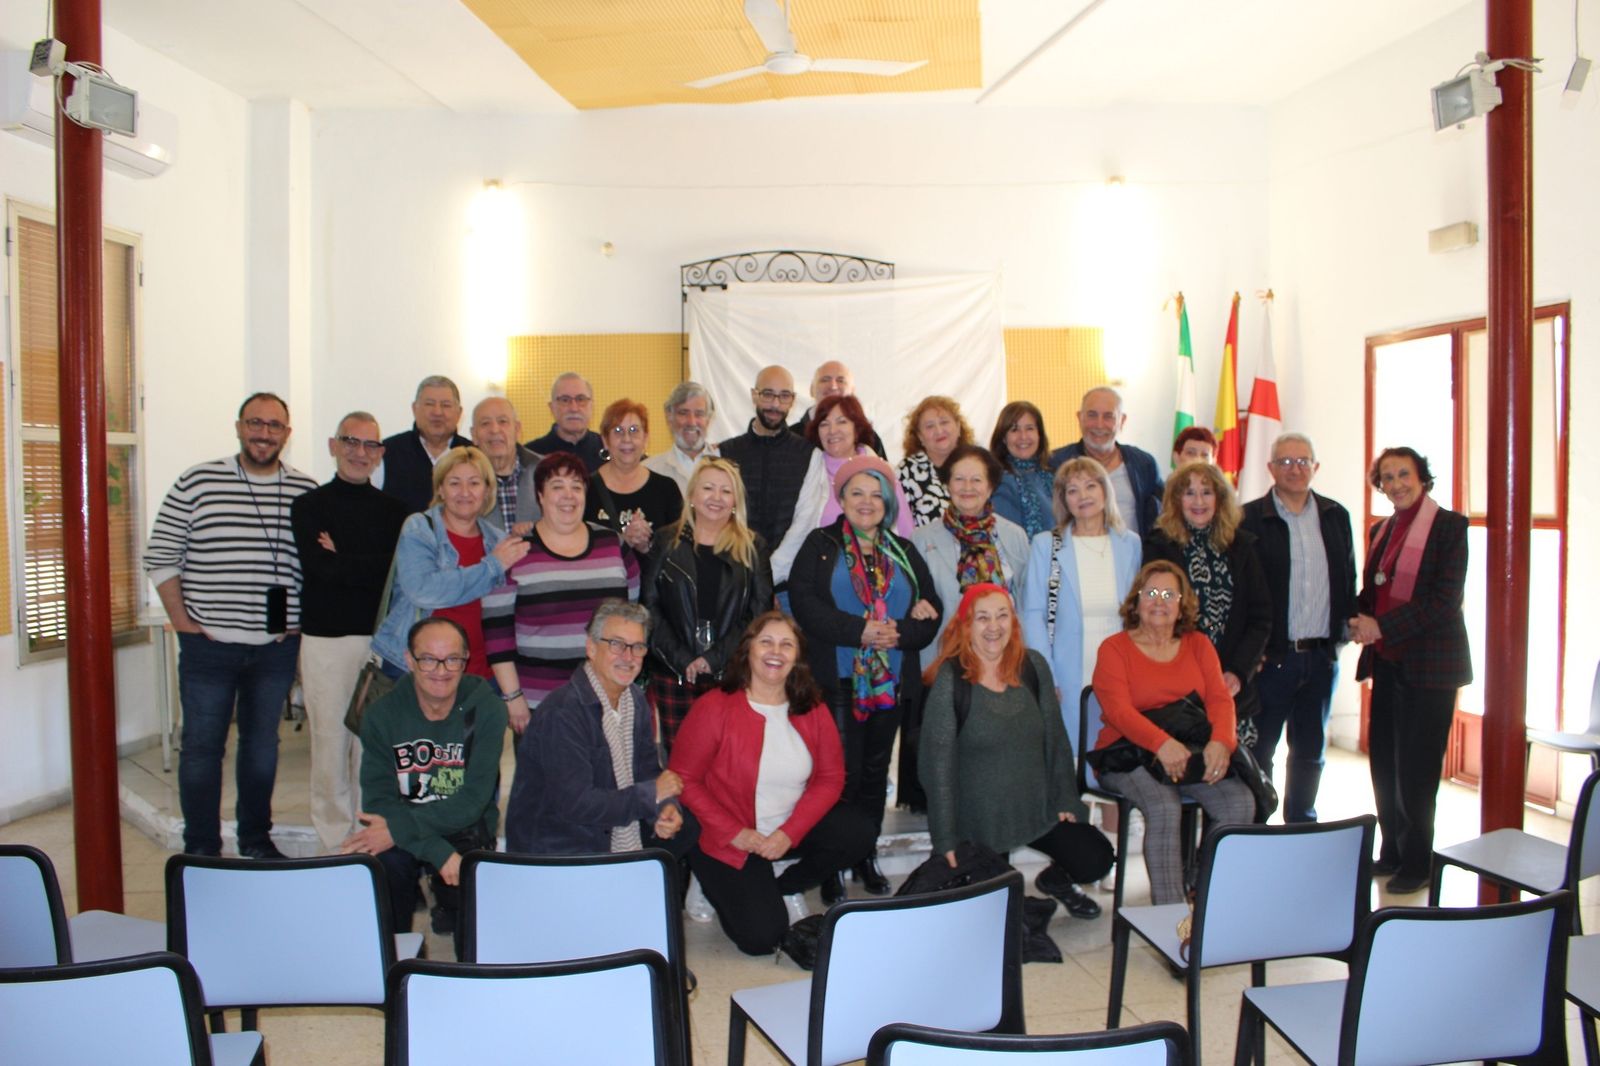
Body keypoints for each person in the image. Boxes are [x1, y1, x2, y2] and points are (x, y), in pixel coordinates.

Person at [144, 392, 319, 859]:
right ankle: (201, 849)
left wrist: (299, 626)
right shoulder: (198, 482)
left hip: (275, 648)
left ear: (288, 432)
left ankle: (255, 840)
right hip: (209, 645)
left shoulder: (305, 490)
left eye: (274, 425)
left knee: (262, 749)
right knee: (201, 750)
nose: (264, 433)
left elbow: (318, 567)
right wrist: (183, 624)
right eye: (255, 423)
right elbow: (160, 557)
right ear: (238, 426)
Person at [669, 612, 877, 956]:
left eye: (786, 644)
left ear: (797, 656)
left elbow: (830, 779)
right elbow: (684, 781)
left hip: (783, 829)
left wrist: (789, 833)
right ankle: (704, 883)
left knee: (858, 832)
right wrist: (734, 832)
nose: (775, 651)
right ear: (747, 649)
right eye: (766, 641)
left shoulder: (810, 707)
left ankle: (785, 885)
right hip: (727, 837)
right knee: (762, 938)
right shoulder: (714, 707)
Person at [790, 454, 941, 900]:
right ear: (841, 498)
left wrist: (900, 634)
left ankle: (865, 853)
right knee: (839, 776)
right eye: (857, 491)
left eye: (877, 493)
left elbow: (931, 609)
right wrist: (859, 631)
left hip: (891, 682)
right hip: (836, 680)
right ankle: (831, 862)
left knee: (875, 775)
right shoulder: (820, 544)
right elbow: (805, 605)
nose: (867, 501)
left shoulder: (905, 551)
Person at [920, 584, 1113, 919]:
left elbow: (1055, 738)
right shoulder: (950, 679)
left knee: (1096, 857)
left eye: (1001, 616)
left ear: (1014, 621)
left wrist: (1066, 798)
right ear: (966, 626)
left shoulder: (1032, 666)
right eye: (982, 618)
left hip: (1035, 809)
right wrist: (945, 839)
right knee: (995, 916)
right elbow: (936, 768)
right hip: (978, 823)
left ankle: (1057, 881)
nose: (993, 627)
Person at [1091, 561, 1255, 905]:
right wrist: (1161, 744)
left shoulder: (1198, 644)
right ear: (1136, 601)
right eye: (1151, 593)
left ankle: (1210, 900)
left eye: (1169, 594)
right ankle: (1174, 923)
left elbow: (1220, 700)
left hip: (1187, 748)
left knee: (1240, 802)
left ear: (1183, 604)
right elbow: (1118, 712)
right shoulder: (1114, 648)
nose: (1159, 601)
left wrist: (1221, 743)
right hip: (1126, 753)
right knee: (1164, 806)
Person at [341, 617, 505, 957]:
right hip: (403, 824)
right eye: (428, 659)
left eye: (452, 660)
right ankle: (396, 966)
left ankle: (465, 958)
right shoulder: (382, 713)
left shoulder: (486, 707)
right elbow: (378, 802)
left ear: (465, 660)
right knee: (384, 865)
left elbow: (474, 800)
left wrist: (418, 838)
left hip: (464, 824)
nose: (441, 670)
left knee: (475, 932)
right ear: (410, 660)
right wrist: (437, 851)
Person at [1349, 446, 1470, 895]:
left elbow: (1443, 601)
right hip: (1389, 663)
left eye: (1404, 474)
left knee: (1417, 771)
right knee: (1385, 763)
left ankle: (1420, 861)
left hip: (1432, 669)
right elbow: (1372, 593)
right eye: (1387, 477)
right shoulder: (1382, 530)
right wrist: (1354, 619)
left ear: (1423, 477)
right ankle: (1393, 851)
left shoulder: (1450, 528)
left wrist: (1380, 625)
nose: (1396, 483)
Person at [289, 411, 409, 850]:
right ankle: (334, 840)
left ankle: (367, 837)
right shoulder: (309, 507)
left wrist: (344, 559)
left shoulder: (397, 513)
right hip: (326, 640)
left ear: (381, 454)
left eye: (370, 445)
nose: (360, 453)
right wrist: (360, 563)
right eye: (351, 442)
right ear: (333, 445)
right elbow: (321, 571)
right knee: (329, 741)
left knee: (372, 746)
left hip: (380, 642)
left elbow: (392, 577)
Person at [505, 601, 697, 866]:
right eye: (616, 645)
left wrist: (663, 809)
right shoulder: (564, 712)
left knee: (689, 825)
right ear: (591, 648)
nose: (628, 657)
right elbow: (577, 805)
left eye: (637, 647)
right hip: (559, 845)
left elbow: (647, 771)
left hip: (606, 828)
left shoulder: (635, 700)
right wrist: (651, 795)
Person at [1239, 433, 1357, 824]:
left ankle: (1301, 825)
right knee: (1261, 750)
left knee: (1309, 751)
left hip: (1321, 657)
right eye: (1286, 462)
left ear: (1315, 467)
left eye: (1303, 461)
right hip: (1271, 658)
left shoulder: (1335, 515)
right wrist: (1249, 654)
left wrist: (1342, 636)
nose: (1295, 468)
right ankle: (1259, 829)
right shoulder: (1249, 519)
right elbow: (1242, 595)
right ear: (1270, 469)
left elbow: (1347, 579)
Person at [484, 453, 642, 731]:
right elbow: (497, 636)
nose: (568, 496)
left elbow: (631, 619)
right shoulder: (515, 551)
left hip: (609, 701)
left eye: (577, 487)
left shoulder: (614, 545)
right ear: (540, 496)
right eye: (557, 486)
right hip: (540, 705)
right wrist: (513, 698)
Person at [641, 458, 774, 753]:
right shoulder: (664, 541)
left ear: (735, 501)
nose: (716, 498)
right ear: (692, 496)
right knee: (681, 761)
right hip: (673, 672)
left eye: (726, 491)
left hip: (731, 672)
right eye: (708, 488)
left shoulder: (754, 547)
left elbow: (760, 614)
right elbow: (649, 608)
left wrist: (714, 658)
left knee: (730, 758)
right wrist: (683, 659)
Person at [371, 446, 530, 685]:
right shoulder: (420, 528)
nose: (465, 492)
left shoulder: (499, 540)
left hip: (482, 671)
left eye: (474, 483)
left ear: (487, 490)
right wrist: (492, 566)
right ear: (441, 489)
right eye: (455, 483)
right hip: (419, 669)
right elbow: (423, 590)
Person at [1019, 456, 1142, 756]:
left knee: (1116, 754)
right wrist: (1048, 675)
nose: (1083, 496)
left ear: (1105, 491)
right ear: (1063, 500)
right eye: (1072, 490)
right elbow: (1033, 613)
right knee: (1072, 756)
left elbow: (1139, 613)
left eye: (1090, 486)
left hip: (1120, 668)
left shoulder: (1131, 544)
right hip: (1068, 670)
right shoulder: (1047, 544)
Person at [1141, 462, 1273, 742]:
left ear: (1220, 499)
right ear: (1177, 500)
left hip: (1230, 684)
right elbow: (1152, 612)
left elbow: (1260, 617)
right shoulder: (1158, 545)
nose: (1198, 501)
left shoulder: (1243, 546)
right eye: (1189, 493)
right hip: (1174, 685)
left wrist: (1238, 671)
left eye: (1206, 492)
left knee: (1236, 771)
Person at [770, 394, 913, 587]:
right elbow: (798, 531)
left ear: (857, 428)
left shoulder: (882, 473)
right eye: (824, 424)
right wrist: (767, 579)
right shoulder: (809, 469)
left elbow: (904, 531)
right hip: (820, 582)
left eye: (841, 421)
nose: (832, 431)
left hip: (880, 581)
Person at [718, 365, 815, 554]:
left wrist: (774, 570)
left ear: (793, 400)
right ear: (754, 395)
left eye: (784, 396)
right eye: (768, 394)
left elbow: (805, 521)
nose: (776, 405)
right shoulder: (726, 453)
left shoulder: (808, 454)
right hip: (735, 568)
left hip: (788, 573)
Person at [1048, 386, 1163, 540]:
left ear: (1122, 421)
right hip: (1074, 557)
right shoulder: (1055, 464)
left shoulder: (1144, 464)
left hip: (1132, 559)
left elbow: (1165, 515)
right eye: (1092, 415)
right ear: (1079, 418)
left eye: (1108, 416)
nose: (1099, 425)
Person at [584, 398, 683, 555]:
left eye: (634, 430)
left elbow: (679, 552)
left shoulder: (666, 489)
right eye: (618, 431)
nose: (627, 439)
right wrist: (623, 541)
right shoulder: (585, 489)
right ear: (605, 440)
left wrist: (648, 547)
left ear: (645, 438)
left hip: (652, 579)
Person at [378, 376, 472, 514]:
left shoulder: (473, 454)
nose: (437, 412)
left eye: (445, 405)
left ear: (459, 413)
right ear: (414, 409)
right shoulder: (387, 452)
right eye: (429, 404)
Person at [898, 395, 977, 527]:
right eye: (929, 426)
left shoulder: (978, 465)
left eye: (944, 422)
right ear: (919, 436)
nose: (939, 431)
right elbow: (901, 525)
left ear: (958, 427)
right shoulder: (906, 471)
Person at [470, 396, 542, 533]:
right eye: (485, 423)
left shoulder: (546, 471)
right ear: (473, 435)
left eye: (503, 421)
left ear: (517, 429)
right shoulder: (461, 480)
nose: (495, 430)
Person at [791, 360, 886, 457]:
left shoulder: (869, 438)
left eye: (841, 380)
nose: (833, 386)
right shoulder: (793, 437)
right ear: (811, 389)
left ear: (852, 391)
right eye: (825, 379)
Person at [989, 400, 1055, 540]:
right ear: (1003, 438)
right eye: (1014, 430)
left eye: (1029, 428)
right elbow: (1009, 541)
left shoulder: (1052, 476)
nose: (1023, 436)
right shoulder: (1000, 482)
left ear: (1039, 434)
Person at [644, 381, 719, 492]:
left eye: (699, 414)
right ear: (669, 418)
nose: (692, 422)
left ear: (708, 420)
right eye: (683, 413)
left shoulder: (728, 469)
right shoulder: (649, 471)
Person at [525, 371, 607, 472]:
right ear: (552, 408)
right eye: (565, 400)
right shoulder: (530, 455)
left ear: (592, 406)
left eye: (581, 399)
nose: (574, 408)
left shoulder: (608, 449)